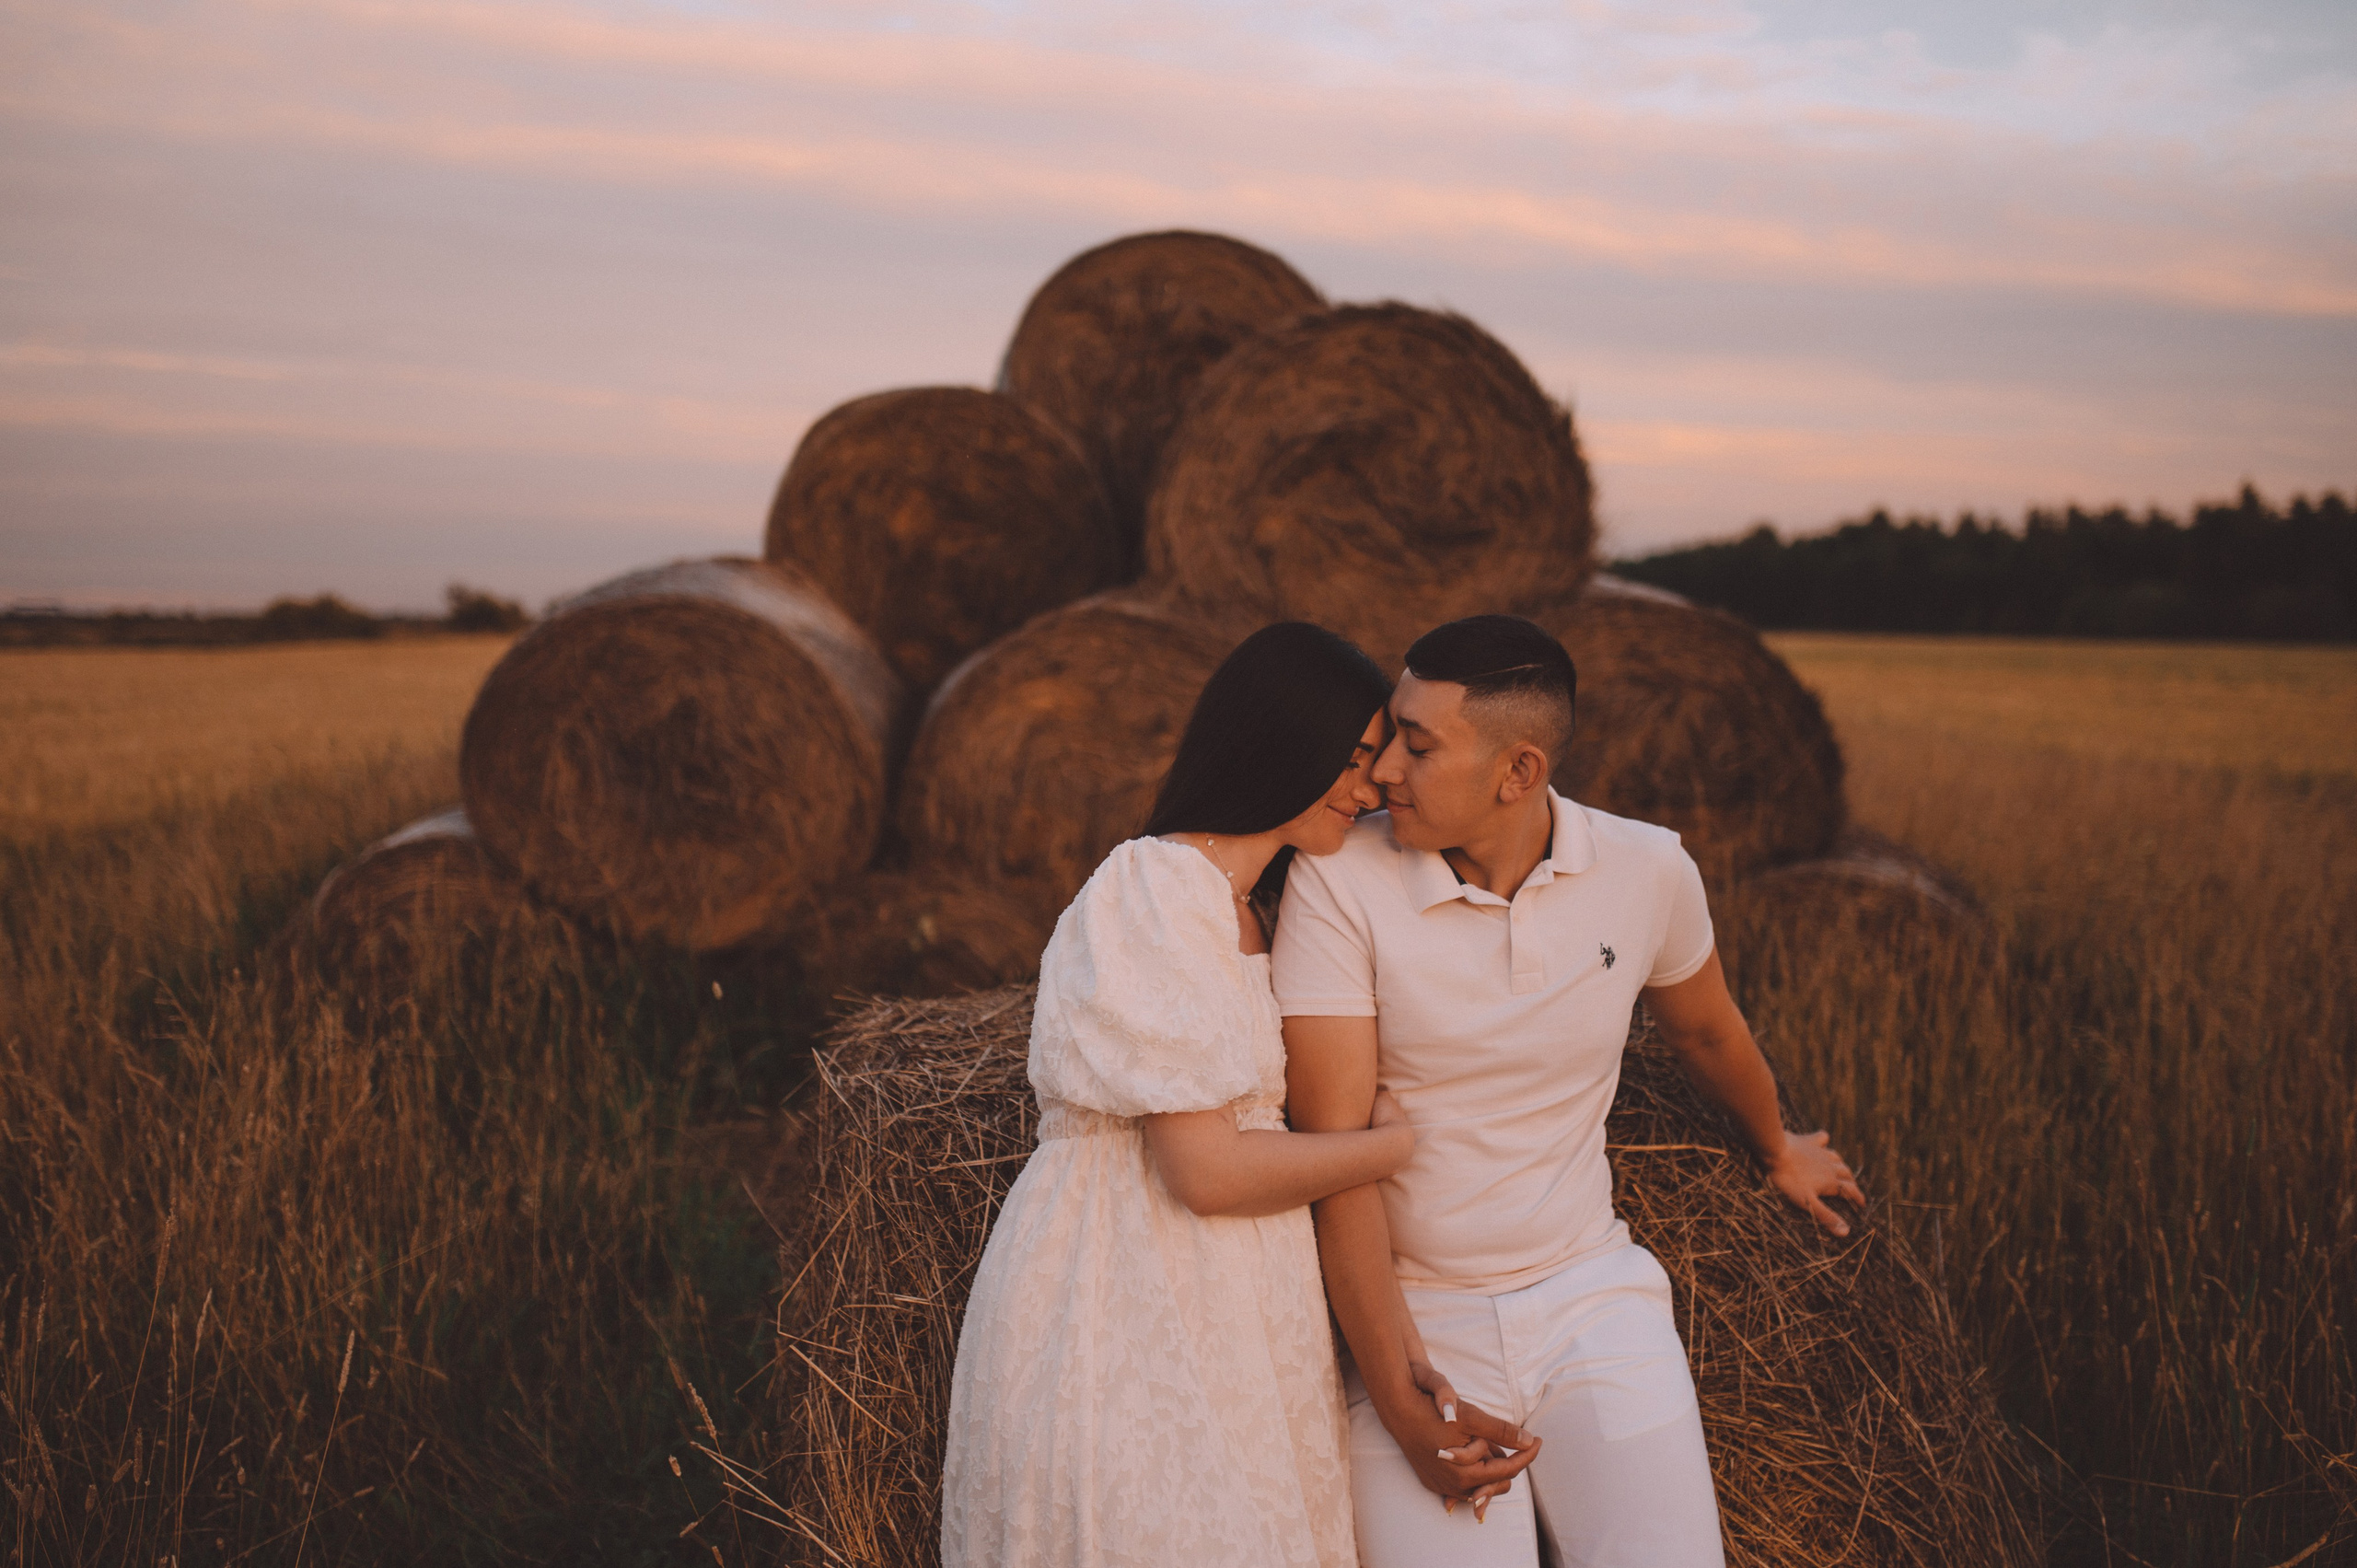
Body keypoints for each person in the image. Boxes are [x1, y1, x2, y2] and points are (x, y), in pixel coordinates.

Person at [941, 621, 1538, 1568]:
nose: (1371, 782)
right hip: (1133, 1293)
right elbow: (1205, 1171)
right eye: (1349, 757)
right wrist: (1389, 1144)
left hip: (1237, 1301)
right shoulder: (1155, 886)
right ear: (1277, 748)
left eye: (1378, 755)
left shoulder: (1249, 906)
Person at [1275, 614, 1866, 1566]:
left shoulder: (1646, 869)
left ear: (1517, 771)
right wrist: (1396, 1392)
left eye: (1417, 747)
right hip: (1415, 1315)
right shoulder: (1339, 878)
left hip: (1593, 1299)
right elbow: (1333, 1151)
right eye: (1391, 732)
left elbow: (1706, 1026)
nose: (1381, 771)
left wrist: (1776, 1142)